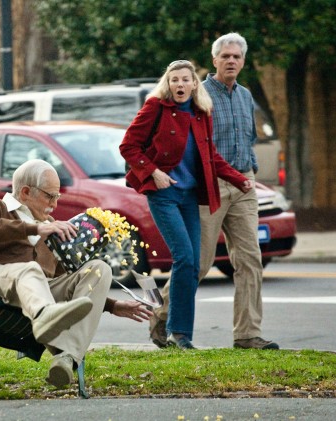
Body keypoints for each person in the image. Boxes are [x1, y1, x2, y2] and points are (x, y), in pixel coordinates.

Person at [0, 159, 152, 388]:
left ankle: (65, 356)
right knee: (30, 269)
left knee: (99, 268)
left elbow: (64, 277)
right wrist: (35, 229)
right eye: (49, 196)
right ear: (25, 192)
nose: (54, 204)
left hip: (39, 290)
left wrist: (111, 305)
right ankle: (45, 315)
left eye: (57, 197)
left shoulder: (50, 225)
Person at [149, 33, 280, 350]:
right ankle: (163, 317)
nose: (231, 61)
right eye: (226, 56)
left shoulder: (246, 96)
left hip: (242, 182)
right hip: (209, 185)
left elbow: (247, 139)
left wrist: (248, 173)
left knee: (250, 260)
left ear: (243, 61)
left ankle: (247, 334)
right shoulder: (199, 94)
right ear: (214, 60)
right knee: (199, 262)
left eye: (237, 56)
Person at [120, 60, 252, 350]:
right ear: (168, 84)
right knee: (185, 258)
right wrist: (154, 172)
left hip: (191, 196)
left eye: (185, 80)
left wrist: (238, 178)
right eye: (174, 80)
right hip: (164, 194)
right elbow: (128, 145)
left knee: (193, 267)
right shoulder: (155, 107)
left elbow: (210, 156)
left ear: (195, 84)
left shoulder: (201, 113)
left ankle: (176, 332)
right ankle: (178, 334)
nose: (179, 85)